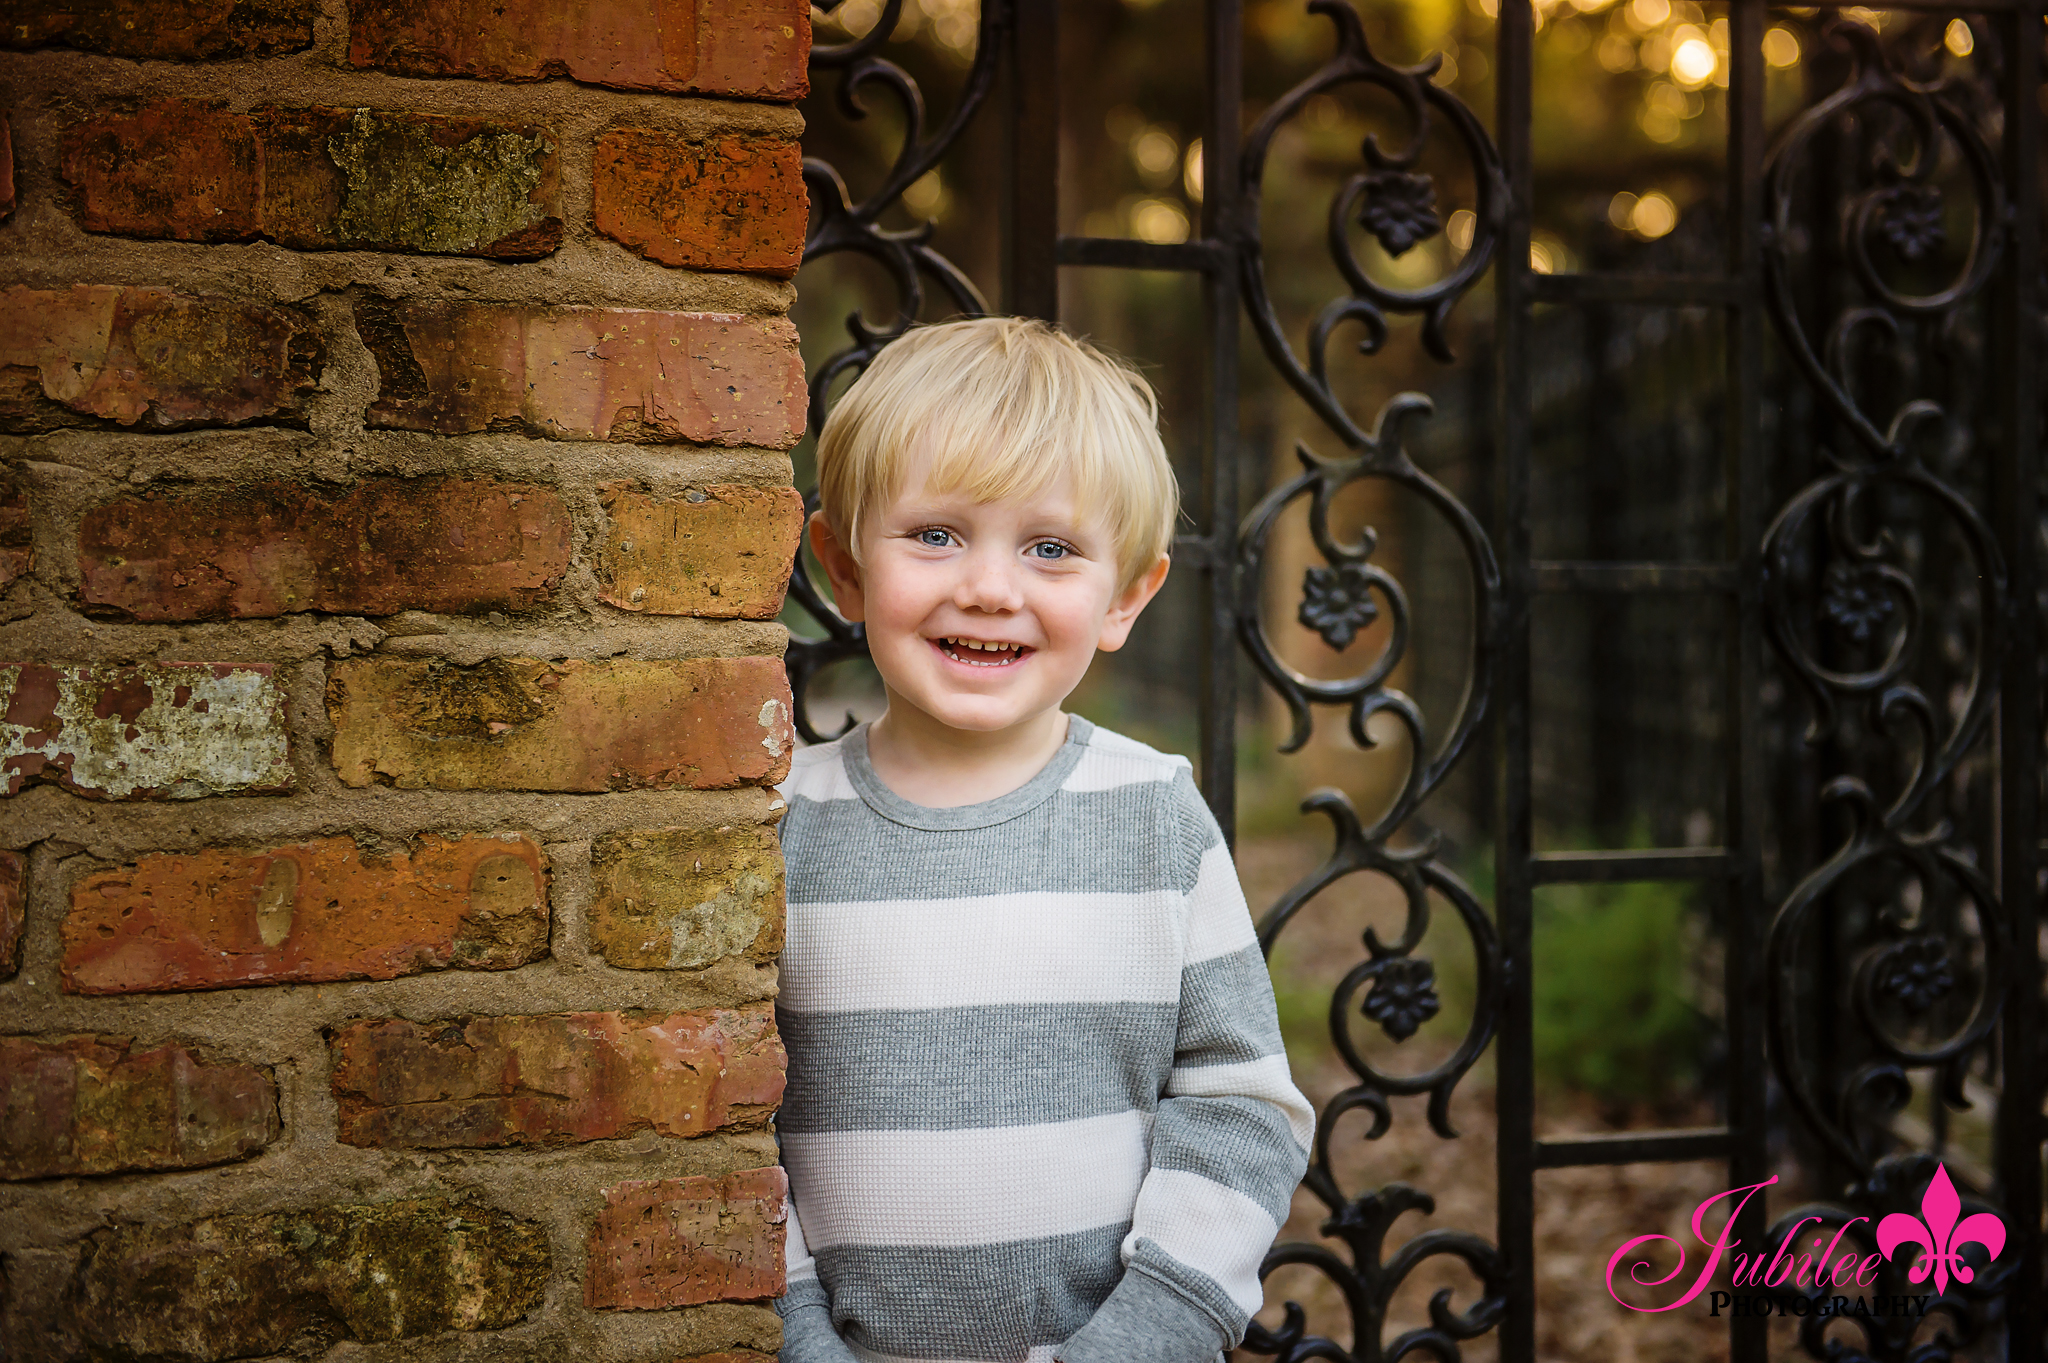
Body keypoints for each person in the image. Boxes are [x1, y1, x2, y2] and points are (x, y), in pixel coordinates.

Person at [773, 316, 1313, 1363]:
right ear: (841, 566)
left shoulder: (1153, 815)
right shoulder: (786, 825)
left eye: (1050, 548)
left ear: (1125, 596)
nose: (988, 586)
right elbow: (730, 1133)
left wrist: (1137, 1342)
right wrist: (797, 1338)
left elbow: (1239, 1109)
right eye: (934, 534)